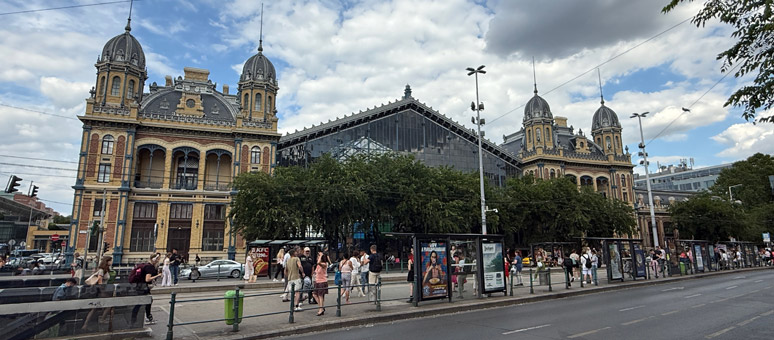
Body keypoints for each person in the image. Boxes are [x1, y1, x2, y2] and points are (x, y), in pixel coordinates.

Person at [131, 254, 162, 326]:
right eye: (158, 259)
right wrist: (158, 275)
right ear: (154, 259)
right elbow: (147, 279)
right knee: (141, 302)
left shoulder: (146, 265)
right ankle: (134, 319)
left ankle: (147, 317)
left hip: (141, 286)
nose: (158, 261)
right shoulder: (149, 267)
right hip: (143, 287)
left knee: (148, 301)